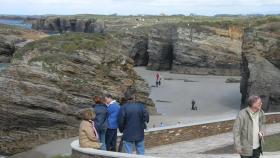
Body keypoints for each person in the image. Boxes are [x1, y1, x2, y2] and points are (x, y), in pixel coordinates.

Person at [118, 87, 149, 155]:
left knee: (128, 153)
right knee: (140, 152)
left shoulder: (123, 107)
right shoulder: (141, 106)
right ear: (134, 96)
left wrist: (121, 130)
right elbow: (146, 118)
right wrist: (142, 124)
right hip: (139, 132)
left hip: (128, 133)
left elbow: (120, 122)